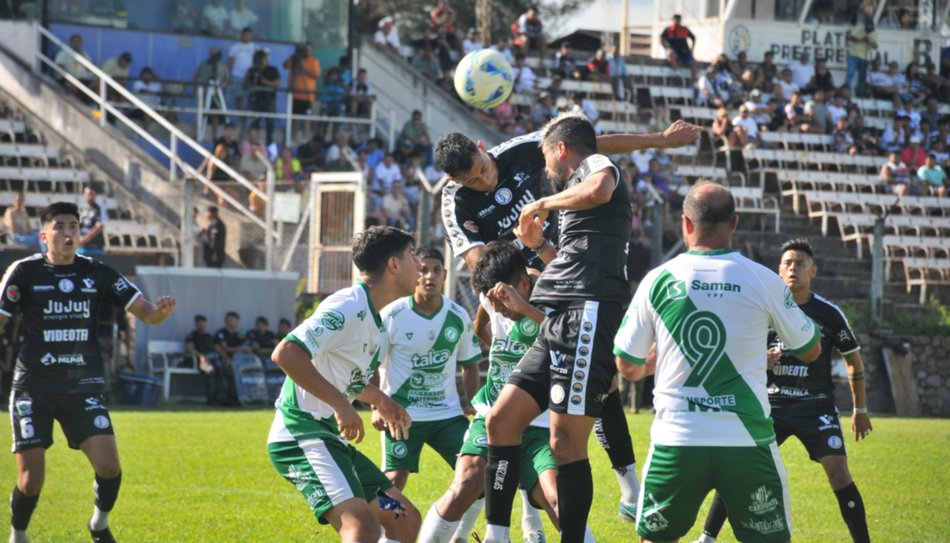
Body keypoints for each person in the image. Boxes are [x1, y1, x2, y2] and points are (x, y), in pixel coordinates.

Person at [613, 183, 821, 543]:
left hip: (677, 439)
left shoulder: (657, 281)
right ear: (735, 222)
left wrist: (656, 363)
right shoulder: (764, 280)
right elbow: (810, 348)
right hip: (747, 439)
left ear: (686, 224)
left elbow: (626, 365)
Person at [476, 114, 635, 542]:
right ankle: (496, 534)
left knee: (564, 444)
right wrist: (538, 247)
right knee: (501, 421)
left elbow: (601, 187)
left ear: (561, 149)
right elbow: (570, 259)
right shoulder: (573, 196)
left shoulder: (596, 168)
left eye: (546, 155)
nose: (545, 166)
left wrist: (541, 205)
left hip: (589, 313)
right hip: (560, 317)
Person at [0, 201, 176, 543]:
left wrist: (160, 313)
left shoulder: (99, 272)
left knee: (109, 466)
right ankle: (18, 533)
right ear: (44, 235)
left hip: (83, 387)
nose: (68, 233)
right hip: (33, 388)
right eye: (60, 226)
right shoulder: (23, 272)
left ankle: (98, 524)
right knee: (31, 480)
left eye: (73, 227)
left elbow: (147, 313)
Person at [695, 238, 871, 543]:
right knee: (739, 468)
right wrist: (761, 359)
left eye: (800, 264)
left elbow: (853, 360)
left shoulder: (828, 313)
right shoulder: (761, 310)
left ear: (813, 270)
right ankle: (707, 538)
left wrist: (861, 410)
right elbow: (734, 354)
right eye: (788, 263)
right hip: (769, 405)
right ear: (778, 271)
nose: (793, 269)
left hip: (815, 405)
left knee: (839, 473)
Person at [266, 225, 422, 543]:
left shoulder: (375, 322)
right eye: (412, 257)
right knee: (361, 528)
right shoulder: (348, 305)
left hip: (330, 440)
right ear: (394, 265)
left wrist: (380, 399)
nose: (418, 266)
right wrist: (340, 404)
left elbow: (344, 378)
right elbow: (286, 353)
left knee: (403, 518)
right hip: (302, 435)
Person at [418, 241, 564, 543]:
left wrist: (523, 309)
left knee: (560, 502)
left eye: (501, 300)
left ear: (522, 285)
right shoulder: (491, 298)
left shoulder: (552, 298)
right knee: (465, 484)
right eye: (489, 299)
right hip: (492, 416)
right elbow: (478, 326)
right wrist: (499, 350)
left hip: (538, 425)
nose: (495, 306)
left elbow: (567, 340)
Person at [376, 247, 481, 492]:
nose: (429, 277)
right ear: (414, 273)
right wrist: (377, 407)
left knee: (477, 471)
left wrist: (472, 403)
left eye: (436, 271)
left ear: (445, 275)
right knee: (394, 478)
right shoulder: (393, 314)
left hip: (447, 414)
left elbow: (470, 365)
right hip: (402, 413)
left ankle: (457, 531)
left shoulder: (458, 315)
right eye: (423, 270)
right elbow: (370, 364)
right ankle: (383, 532)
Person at [185, 314, 237, 406]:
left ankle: (228, 398)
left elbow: (218, 349)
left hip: (215, 360)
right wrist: (202, 357)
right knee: (211, 371)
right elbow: (190, 349)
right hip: (201, 361)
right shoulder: (192, 336)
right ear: (196, 324)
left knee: (227, 370)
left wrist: (226, 358)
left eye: (203, 323)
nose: (201, 325)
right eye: (199, 323)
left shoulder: (210, 337)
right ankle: (212, 399)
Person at [284, 41, 320, 143]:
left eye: (308, 49)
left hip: (307, 95)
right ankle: (292, 139)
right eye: (305, 49)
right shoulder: (295, 60)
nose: (306, 51)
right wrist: (294, 55)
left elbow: (315, 75)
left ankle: (305, 139)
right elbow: (285, 65)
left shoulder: (314, 61)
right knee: (294, 119)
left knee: (306, 119)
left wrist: (304, 67)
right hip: (295, 95)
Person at [244, 49, 280, 146]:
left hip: (269, 100)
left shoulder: (272, 70)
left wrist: (265, 81)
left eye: (263, 59)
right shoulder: (253, 70)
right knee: (255, 122)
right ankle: (253, 141)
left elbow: (277, 83)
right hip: (256, 100)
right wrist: (251, 81)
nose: (261, 62)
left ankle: (269, 142)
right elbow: (247, 82)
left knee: (270, 122)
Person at [846, 0, 878, 97]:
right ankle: (846, 89)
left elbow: (875, 45)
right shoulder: (859, 27)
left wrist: (870, 42)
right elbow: (851, 38)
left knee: (862, 76)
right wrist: (863, 40)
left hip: (865, 57)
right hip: (854, 55)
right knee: (850, 72)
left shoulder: (874, 32)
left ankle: (859, 91)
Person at [227, 27, 257, 114]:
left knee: (252, 98)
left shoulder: (255, 48)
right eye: (245, 35)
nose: (247, 37)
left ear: (251, 36)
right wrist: (228, 76)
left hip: (250, 77)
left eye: (249, 35)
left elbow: (258, 64)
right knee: (239, 98)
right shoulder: (235, 47)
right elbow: (230, 62)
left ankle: (249, 121)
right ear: (242, 36)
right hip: (237, 76)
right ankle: (242, 118)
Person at [659, 15, 697, 82]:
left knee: (693, 63)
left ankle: (693, 80)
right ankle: (677, 73)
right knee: (671, 54)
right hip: (674, 52)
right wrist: (666, 48)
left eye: (678, 20)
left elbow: (693, 38)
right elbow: (661, 38)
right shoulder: (668, 30)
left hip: (684, 51)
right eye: (675, 20)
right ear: (672, 20)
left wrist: (692, 49)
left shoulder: (684, 29)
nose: (677, 22)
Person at [78, 186, 106, 256]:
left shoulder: (99, 208)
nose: (89, 196)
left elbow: (100, 226)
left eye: (91, 194)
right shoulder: (83, 209)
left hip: (94, 246)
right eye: (87, 194)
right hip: (81, 246)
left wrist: (85, 239)